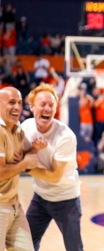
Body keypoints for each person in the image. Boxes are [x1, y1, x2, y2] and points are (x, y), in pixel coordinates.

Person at [22, 83, 83, 251]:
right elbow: (20, 154)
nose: (47, 108)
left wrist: (25, 167)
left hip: (66, 199)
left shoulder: (66, 136)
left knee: (74, 248)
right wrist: (33, 149)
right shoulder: (26, 127)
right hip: (40, 198)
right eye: (43, 104)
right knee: (25, 244)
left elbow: (55, 176)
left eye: (51, 105)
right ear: (32, 107)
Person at [0, 87, 40, 251]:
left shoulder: (18, 130)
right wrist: (26, 163)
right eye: (11, 102)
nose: (17, 107)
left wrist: (34, 150)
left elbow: (20, 159)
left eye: (19, 103)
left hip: (15, 206)